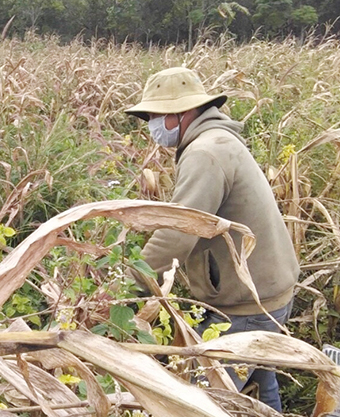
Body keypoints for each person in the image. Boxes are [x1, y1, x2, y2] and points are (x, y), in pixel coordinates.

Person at [125, 67, 299, 412]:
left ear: (182, 113)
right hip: (269, 292)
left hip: (247, 305)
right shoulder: (218, 140)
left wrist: (128, 284)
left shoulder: (205, 153)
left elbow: (178, 231)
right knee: (261, 389)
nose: (152, 125)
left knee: (202, 400)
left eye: (156, 116)